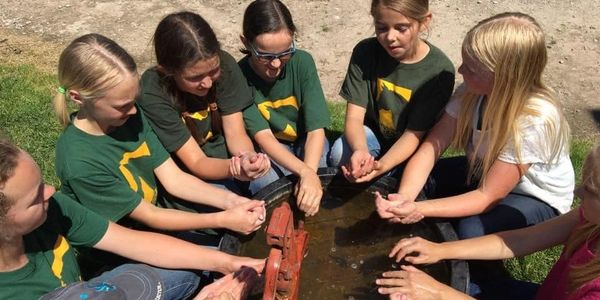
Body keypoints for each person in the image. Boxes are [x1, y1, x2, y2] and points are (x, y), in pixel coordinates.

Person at [52, 33, 266, 269]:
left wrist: (233, 202)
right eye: (122, 105)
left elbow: (175, 179)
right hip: (123, 248)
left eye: (134, 100)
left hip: (158, 215)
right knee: (202, 266)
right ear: (78, 98)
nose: (135, 111)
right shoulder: (79, 161)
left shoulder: (128, 117)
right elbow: (149, 215)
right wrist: (222, 218)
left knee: (242, 231)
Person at [375, 12, 574, 239]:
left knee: (471, 229)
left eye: (470, 68)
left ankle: (478, 272)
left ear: (503, 76)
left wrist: (419, 209)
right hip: (484, 169)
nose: (460, 71)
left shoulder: (535, 120)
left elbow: (488, 196)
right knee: (406, 178)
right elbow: (432, 146)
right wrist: (406, 197)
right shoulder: (471, 92)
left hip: (532, 195)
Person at [0, 137, 264, 300]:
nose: (50, 191)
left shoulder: (52, 207)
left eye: (42, 183)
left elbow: (132, 242)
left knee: (186, 271)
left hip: (94, 293)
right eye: (35, 197)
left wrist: (229, 262)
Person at [376, 143, 600, 300]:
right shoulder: (590, 220)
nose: (578, 191)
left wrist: (438, 293)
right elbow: (522, 239)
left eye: (589, 190)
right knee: (463, 285)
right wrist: (440, 250)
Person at [138, 11, 270, 197]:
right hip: (191, 173)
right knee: (231, 209)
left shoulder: (225, 64)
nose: (207, 83)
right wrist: (236, 169)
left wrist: (248, 157)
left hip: (230, 156)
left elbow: (235, 133)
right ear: (167, 70)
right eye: (195, 77)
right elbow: (197, 162)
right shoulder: (152, 92)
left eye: (213, 71)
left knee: (272, 184)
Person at [328, 0, 455, 183]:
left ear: (425, 21)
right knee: (341, 154)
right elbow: (354, 117)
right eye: (381, 28)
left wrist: (382, 166)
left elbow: (413, 136)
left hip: (413, 147)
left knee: (405, 180)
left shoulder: (438, 71)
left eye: (401, 28)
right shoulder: (366, 52)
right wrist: (360, 150)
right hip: (374, 134)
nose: (390, 37)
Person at [238, 0, 330, 216]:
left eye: (284, 53)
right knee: (266, 183)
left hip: (304, 139)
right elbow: (264, 137)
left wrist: (310, 175)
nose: (277, 64)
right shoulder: (239, 77)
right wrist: (305, 173)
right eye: (265, 56)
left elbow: (316, 131)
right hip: (268, 147)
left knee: (320, 168)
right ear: (246, 42)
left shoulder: (303, 63)